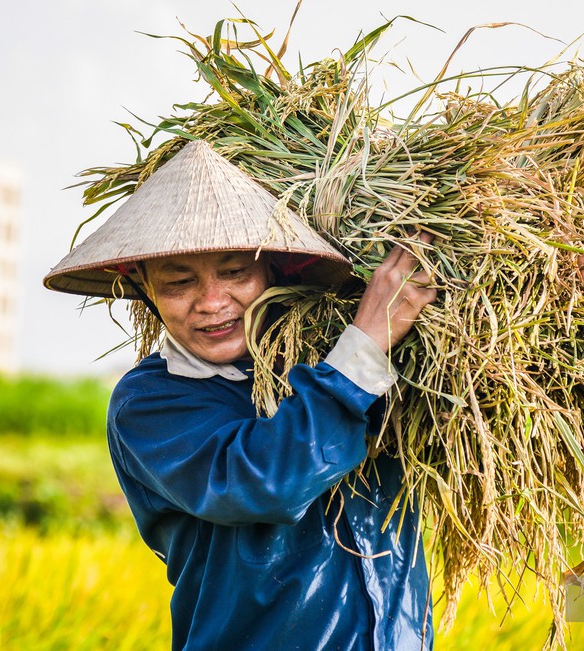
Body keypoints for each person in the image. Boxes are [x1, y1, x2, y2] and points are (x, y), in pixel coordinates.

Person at [44, 139, 437, 650]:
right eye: (179, 282)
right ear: (141, 283)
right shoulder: (151, 404)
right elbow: (266, 480)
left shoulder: (335, 362)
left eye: (234, 272)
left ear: (271, 268)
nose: (212, 303)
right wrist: (364, 345)